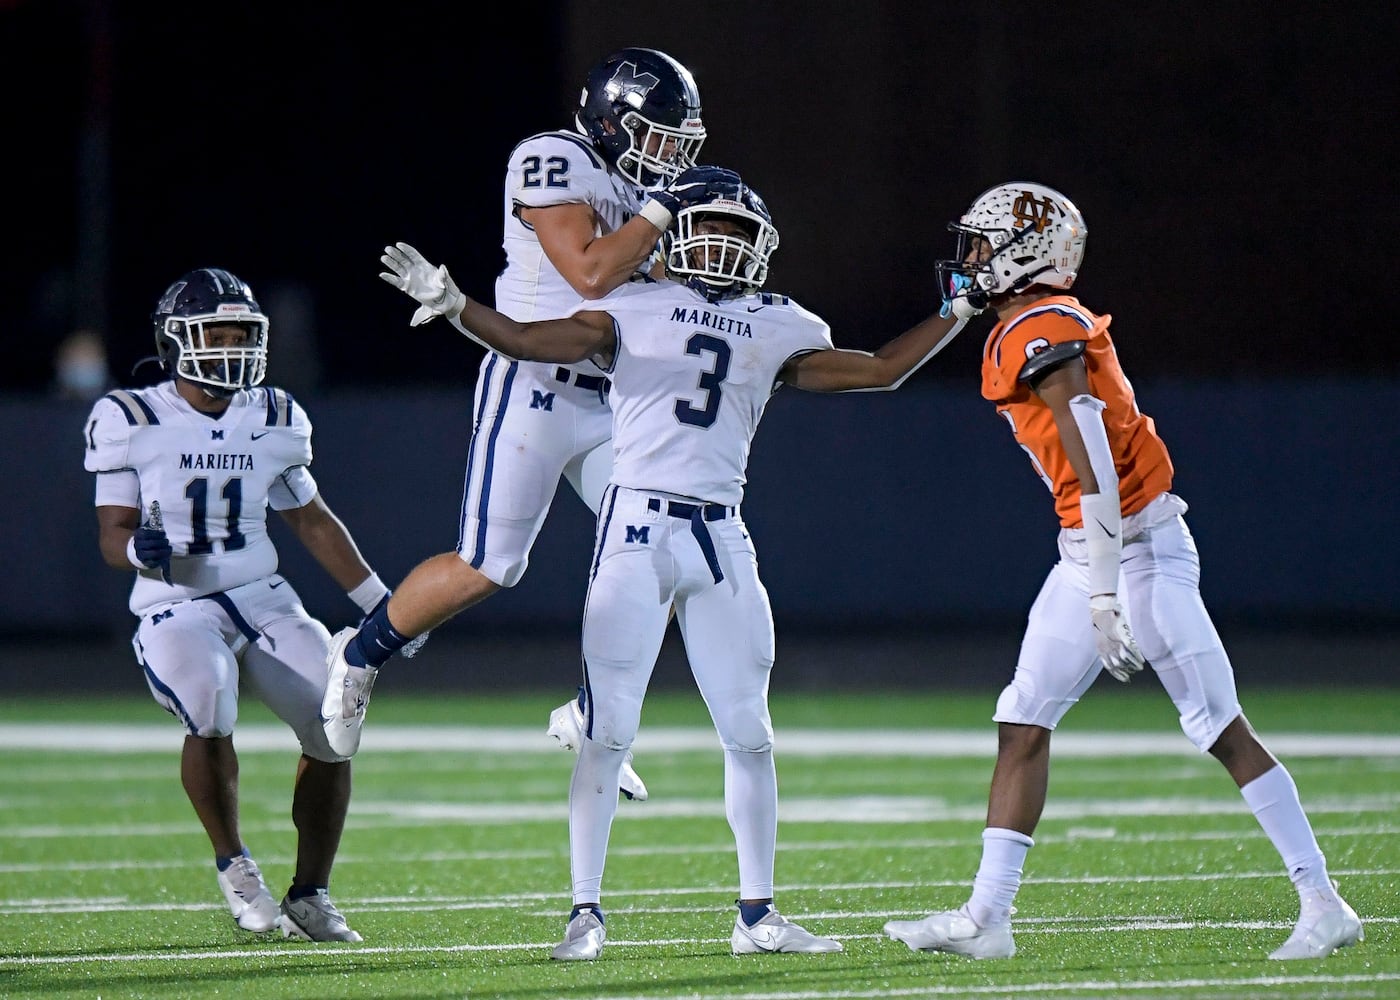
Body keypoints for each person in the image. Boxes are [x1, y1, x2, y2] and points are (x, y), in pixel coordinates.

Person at [369, 167, 978, 960]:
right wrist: (459, 309)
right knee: (608, 733)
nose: (722, 246)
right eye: (711, 229)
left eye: (737, 234)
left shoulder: (779, 321)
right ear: (677, 236)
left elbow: (881, 369)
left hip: (722, 536)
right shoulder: (631, 304)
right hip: (636, 529)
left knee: (750, 733)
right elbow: (530, 341)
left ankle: (757, 917)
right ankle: (584, 914)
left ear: (760, 249)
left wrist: (958, 309)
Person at [883, 182, 1365, 962]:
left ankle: (1323, 901)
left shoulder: (1043, 323)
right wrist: (1093, 574)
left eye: (983, 243)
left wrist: (1106, 589)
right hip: (1090, 550)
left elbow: (1097, 465)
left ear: (1025, 253)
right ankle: (988, 917)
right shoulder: (1017, 324)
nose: (969, 258)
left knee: (1218, 725)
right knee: (1023, 718)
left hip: (1136, 547)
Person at [321, 47, 721, 801]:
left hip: (611, 398)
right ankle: (361, 654)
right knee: (492, 563)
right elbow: (591, 273)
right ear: (610, 117)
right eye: (660, 135)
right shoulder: (552, 156)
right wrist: (663, 213)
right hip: (535, 377)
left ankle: (596, 714)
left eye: (681, 143)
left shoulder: (640, 189)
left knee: (672, 547)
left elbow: (653, 294)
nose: (671, 156)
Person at [83, 267, 387, 942]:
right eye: (212, 335)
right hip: (176, 599)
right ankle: (235, 864)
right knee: (209, 703)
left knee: (334, 723)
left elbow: (312, 521)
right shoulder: (130, 416)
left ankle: (311, 892)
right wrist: (143, 552)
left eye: (240, 335)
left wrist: (379, 604)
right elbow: (113, 536)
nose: (228, 349)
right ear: (174, 341)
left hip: (263, 595)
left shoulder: (273, 413)